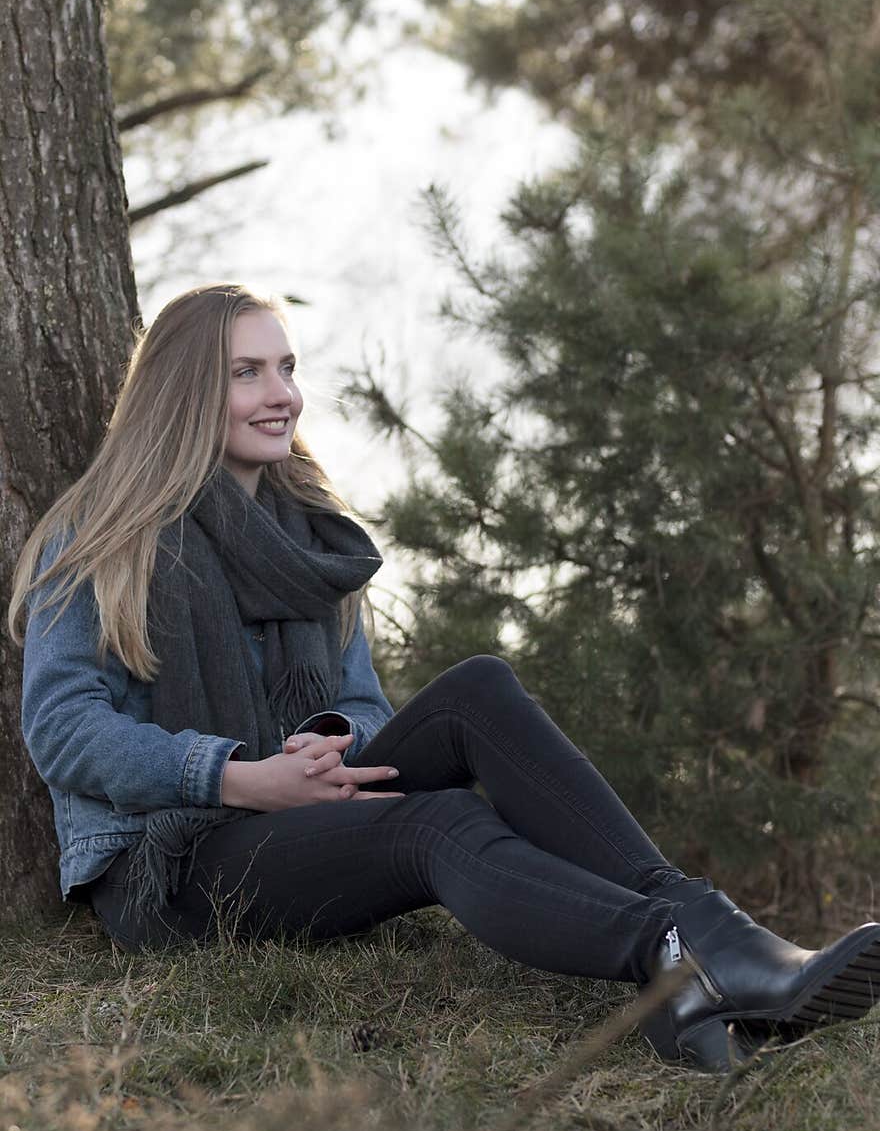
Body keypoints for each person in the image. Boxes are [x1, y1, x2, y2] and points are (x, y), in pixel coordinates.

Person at [10, 284, 880, 1074]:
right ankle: (675, 957)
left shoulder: (309, 541)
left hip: (299, 808)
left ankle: (701, 926)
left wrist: (336, 749)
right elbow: (64, 728)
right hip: (177, 864)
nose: (283, 396)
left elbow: (359, 699)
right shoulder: (101, 537)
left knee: (478, 688)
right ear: (186, 393)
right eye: (247, 374)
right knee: (439, 822)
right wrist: (241, 776)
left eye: (286, 368)